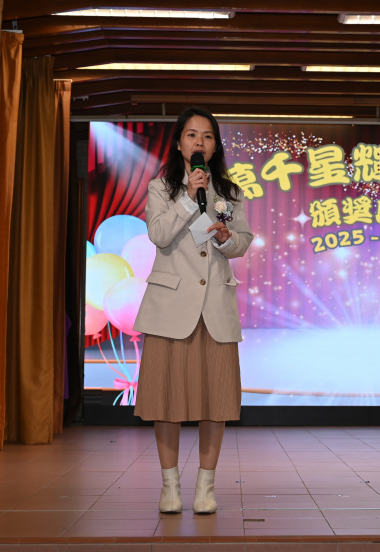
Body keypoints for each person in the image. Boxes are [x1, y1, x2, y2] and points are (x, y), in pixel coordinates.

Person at [132, 107, 253, 515]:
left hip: (215, 308)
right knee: (165, 402)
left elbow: (241, 242)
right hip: (171, 310)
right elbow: (159, 235)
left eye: (207, 136)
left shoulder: (230, 192)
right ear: (179, 143)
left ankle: (206, 487)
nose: (199, 142)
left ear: (215, 146)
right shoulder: (161, 188)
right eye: (191, 135)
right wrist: (188, 198)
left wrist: (226, 238)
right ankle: (170, 486)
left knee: (215, 402)